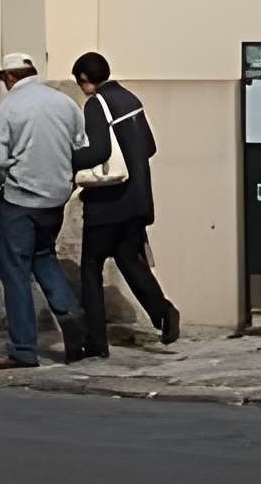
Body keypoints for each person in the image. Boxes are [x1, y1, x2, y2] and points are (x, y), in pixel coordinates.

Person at [0, 50, 89, 368]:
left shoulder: (9, 107)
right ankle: (71, 315)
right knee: (44, 257)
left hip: (18, 198)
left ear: (9, 77)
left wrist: (0, 184)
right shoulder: (64, 103)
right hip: (55, 198)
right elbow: (80, 145)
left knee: (14, 271)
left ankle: (23, 349)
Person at [70, 52, 179, 356]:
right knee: (129, 259)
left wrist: (70, 160)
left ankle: (96, 341)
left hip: (108, 203)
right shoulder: (130, 99)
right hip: (137, 198)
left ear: (84, 80)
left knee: (90, 267)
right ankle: (164, 312)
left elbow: (98, 151)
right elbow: (150, 146)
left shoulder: (97, 104)